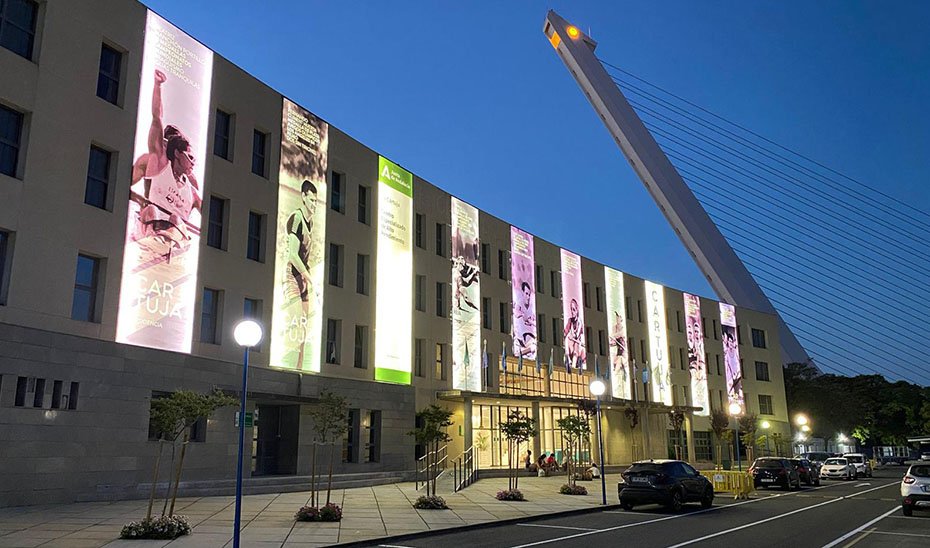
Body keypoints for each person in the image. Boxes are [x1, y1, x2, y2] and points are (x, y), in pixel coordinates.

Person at [131, 69, 202, 262]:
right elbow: (157, 118)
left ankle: (169, 243)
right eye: (164, 141)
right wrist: (157, 85)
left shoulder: (191, 184)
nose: (164, 145)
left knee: (176, 220)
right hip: (151, 223)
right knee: (151, 211)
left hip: (175, 234)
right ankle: (154, 240)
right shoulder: (153, 162)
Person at [283, 180, 319, 367]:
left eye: (316, 201)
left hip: (303, 278)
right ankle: (287, 366)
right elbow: (293, 255)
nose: (314, 205)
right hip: (293, 276)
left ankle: (299, 369)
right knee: (296, 321)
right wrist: (312, 280)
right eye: (311, 200)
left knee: (304, 325)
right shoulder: (296, 218)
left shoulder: (310, 221)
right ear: (303, 197)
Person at [513, 281, 537, 358]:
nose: (528, 297)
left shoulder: (532, 307)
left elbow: (534, 322)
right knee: (533, 347)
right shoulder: (519, 303)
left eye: (529, 294)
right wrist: (523, 314)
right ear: (522, 293)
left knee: (534, 347)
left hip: (530, 338)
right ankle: (519, 353)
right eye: (526, 294)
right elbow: (516, 312)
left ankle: (521, 353)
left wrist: (530, 321)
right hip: (521, 336)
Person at [563, 298, 585, 369]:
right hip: (571, 344)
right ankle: (568, 358)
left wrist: (572, 338)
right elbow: (566, 332)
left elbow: (577, 336)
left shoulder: (580, 322)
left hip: (578, 345)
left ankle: (573, 365)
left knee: (575, 344)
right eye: (571, 309)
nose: (572, 312)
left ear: (577, 310)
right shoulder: (570, 320)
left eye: (574, 310)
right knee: (567, 338)